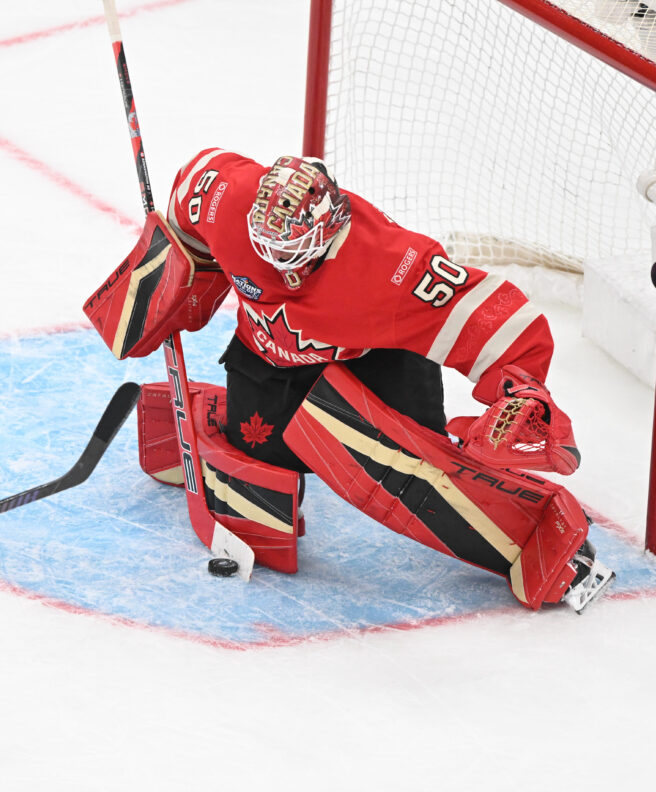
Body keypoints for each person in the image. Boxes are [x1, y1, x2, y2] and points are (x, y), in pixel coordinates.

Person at [85, 149, 613, 611]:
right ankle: (211, 420)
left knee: (395, 465)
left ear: (329, 228)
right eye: (269, 255)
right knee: (261, 483)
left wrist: (520, 388)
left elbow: (498, 322)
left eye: (295, 258)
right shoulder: (225, 195)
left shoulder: (393, 265)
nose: (281, 273)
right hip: (269, 357)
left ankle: (531, 534)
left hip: (375, 362)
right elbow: (185, 198)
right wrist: (168, 275)